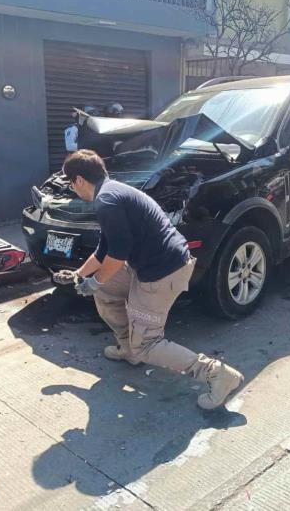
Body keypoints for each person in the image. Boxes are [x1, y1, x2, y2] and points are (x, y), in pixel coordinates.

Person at [53, 150, 244, 410]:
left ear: (78, 180)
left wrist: (93, 282)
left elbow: (117, 256)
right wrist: (79, 276)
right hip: (150, 265)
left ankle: (216, 374)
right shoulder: (113, 192)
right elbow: (105, 250)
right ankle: (128, 348)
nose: (73, 190)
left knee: (148, 344)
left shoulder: (107, 201)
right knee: (107, 289)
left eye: (71, 185)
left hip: (164, 272)